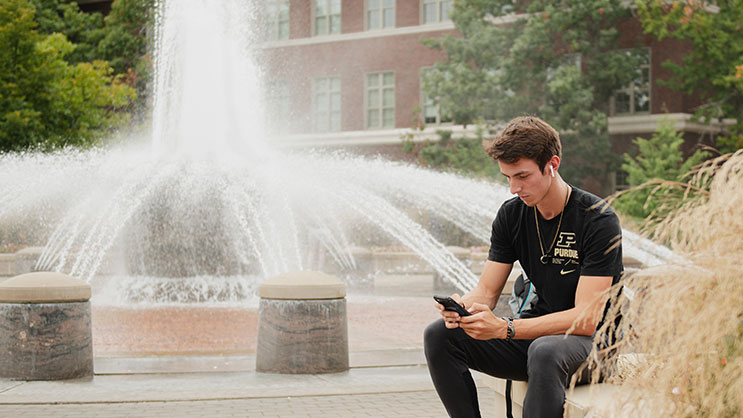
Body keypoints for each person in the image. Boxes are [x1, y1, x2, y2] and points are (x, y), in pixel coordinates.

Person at [424, 116, 623, 418]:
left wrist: (507, 328)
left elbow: (587, 318)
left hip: (596, 345)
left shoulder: (597, 219)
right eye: (507, 178)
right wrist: (461, 308)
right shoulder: (512, 215)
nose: (514, 188)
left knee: (545, 350)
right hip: (537, 336)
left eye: (522, 176)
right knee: (439, 335)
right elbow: (487, 291)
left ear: (552, 164)